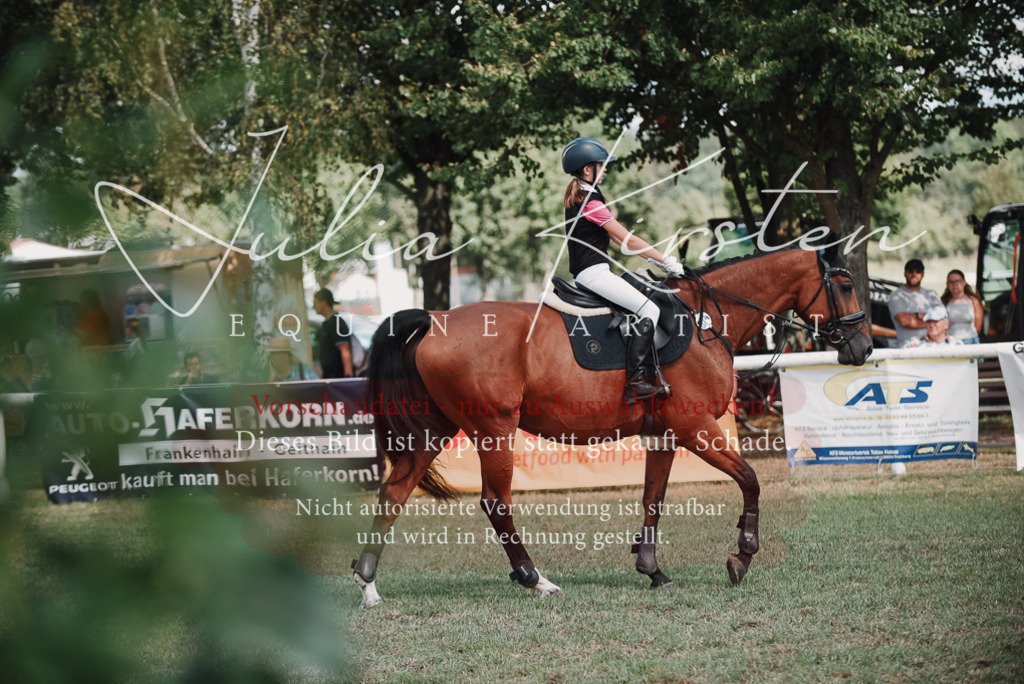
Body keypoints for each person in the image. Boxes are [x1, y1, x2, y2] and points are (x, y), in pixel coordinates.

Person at [561, 137, 686, 402]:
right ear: (587, 169)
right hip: (593, 274)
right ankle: (636, 382)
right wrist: (665, 260)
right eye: (602, 164)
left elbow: (620, 242)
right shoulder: (590, 202)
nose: (605, 168)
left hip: (593, 272)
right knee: (650, 310)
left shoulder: (587, 196)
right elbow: (628, 238)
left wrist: (654, 261)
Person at [888, 258, 943, 347]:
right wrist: (930, 321)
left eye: (918, 271)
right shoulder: (896, 295)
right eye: (910, 271)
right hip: (909, 346)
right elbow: (905, 321)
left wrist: (914, 316)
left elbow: (942, 319)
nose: (914, 274)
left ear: (923, 274)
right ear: (905, 273)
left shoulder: (931, 294)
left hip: (934, 345)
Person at [312, 289, 354, 378]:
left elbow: (345, 349)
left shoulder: (336, 322)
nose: (313, 306)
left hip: (338, 377)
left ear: (324, 303)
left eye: (315, 303)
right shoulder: (327, 323)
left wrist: (348, 376)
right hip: (330, 376)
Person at [941, 269, 984, 344]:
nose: (954, 284)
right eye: (951, 282)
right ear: (947, 284)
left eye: (957, 281)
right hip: (952, 342)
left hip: (971, 340)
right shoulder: (943, 302)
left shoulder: (974, 301)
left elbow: (978, 325)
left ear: (964, 282)